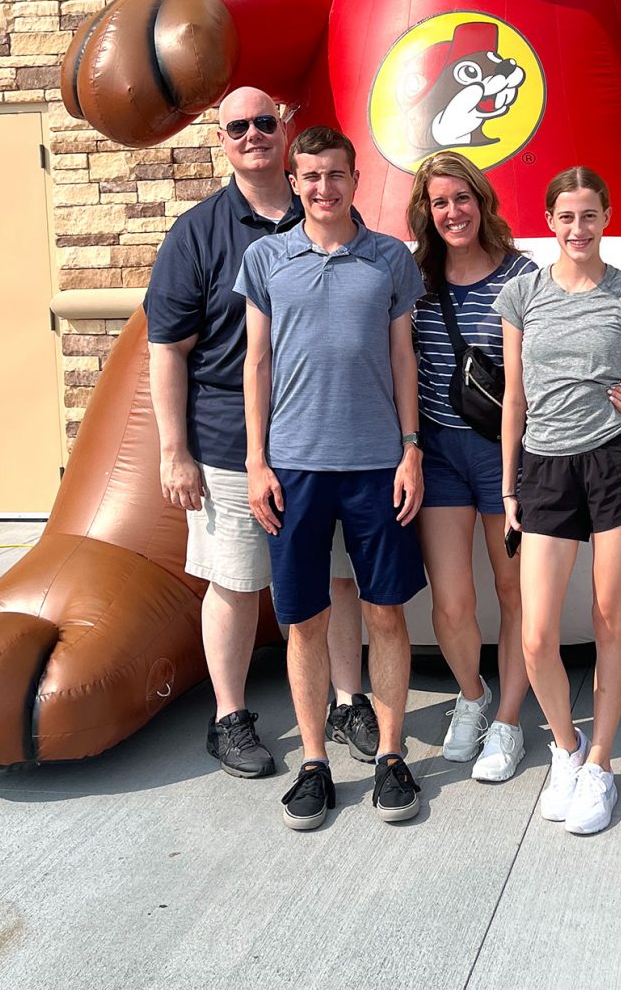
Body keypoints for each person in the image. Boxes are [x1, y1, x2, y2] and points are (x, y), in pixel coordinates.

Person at [145, 89, 376, 780]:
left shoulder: (335, 214)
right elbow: (168, 347)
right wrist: (173, 450)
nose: (252, 135)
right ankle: (230, 716)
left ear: (286, 132)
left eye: (264, 123)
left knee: (339, 578)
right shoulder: (199, 232)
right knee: (237, 581)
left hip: (326, 438)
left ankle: (346, 698)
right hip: (226, 442)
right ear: (221, 140)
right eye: (237, 127)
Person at [407, 151, 621, 782]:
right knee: (453, 602)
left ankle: (510, 723)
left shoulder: (521, 275)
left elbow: (562, 359)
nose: (453, 212)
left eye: (463, 199)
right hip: (438, 450)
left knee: (515, 594)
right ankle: (473, 697)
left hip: (505, 454)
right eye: (440, 202)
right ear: (426, 213)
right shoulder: (416, 278)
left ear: (482, 203)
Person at [237, 125, 428, 830]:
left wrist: (411, 450)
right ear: (295, 181)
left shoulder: (389, 260)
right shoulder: (265, 259)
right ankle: (314, 762)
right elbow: (255, 364)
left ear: (355, 178)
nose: (325, 188)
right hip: (292, 466)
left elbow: (404, 359)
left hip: (379, 463)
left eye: (337, 175)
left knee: (385, 614)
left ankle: (390, 754)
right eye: (311, 176)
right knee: (305, 619)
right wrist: (256, 461)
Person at [496, 166, 621, 836]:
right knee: (538, 635)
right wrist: (509, 485)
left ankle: (601, 763)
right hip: (544, 468)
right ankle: (565, 749)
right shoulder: (521, 296)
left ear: (606, 217)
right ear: (549, 221)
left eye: (590, 216)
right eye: (566, 217)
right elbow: (513, 397)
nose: (578, 228)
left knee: (608, 619)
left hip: (614, 469)